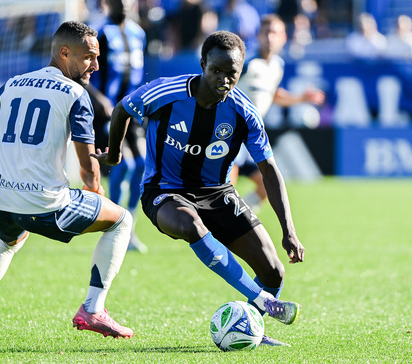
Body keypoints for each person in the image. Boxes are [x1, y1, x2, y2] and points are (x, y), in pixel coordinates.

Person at [94, 30, 304, 346]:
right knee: (189, 224)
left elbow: (269, 170)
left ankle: (253, 330)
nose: (223, 79)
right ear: (203, 63)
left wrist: (289, 230)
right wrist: (113, 153)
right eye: (215, 70)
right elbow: (123, 108)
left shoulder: (244, 112)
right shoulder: (167, 92)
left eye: (231, 73)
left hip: (218, 193)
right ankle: (262, 301)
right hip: (164, 191)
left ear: (241, 70)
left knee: (274, 271)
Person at [0, 21, 133, 339]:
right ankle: (93, 309)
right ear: (65, 53)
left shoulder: (13, 84)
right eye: (89, 56)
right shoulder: (77, 93)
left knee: (9, 241)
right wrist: (95, 191)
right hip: (46, 204)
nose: (96, 64)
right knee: (121, 220)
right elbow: (87, 168)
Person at [231, 14, 325, 211]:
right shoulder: (246, 64)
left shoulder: (277, 65)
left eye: (275, 33)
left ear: (284, 38)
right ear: (258, 36)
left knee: (268, 186)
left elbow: (271, 94)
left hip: (251, 136)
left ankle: (238, 216)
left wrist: (301, 98)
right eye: (266, 32)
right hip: (231, 133)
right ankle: (218, 225)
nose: (270, 38)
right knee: (226, 186)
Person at [86, 0, 148, 253]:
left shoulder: (139, 33)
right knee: (125, 165)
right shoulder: (98, 32)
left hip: (131, 112)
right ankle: (113, 224)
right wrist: (99, 100)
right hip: (107, 113)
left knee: (143, 165)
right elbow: (82, 73)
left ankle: (129, 228)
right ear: (106, 3)